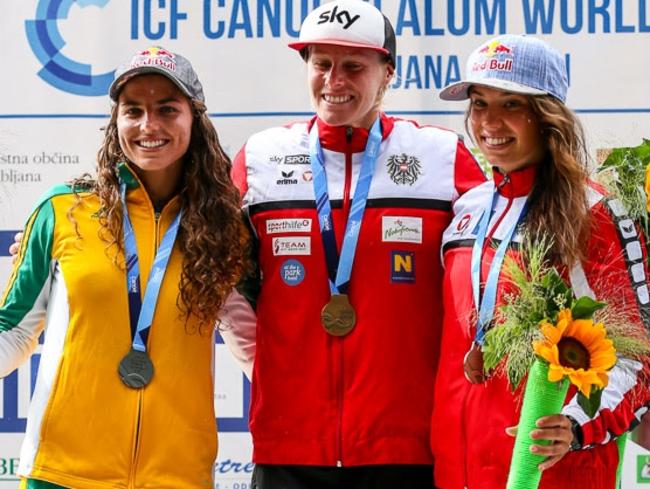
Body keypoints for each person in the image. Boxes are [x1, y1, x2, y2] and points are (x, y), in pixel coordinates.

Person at [218, 1, 486, 488]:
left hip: (405, 447)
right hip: (289, 446)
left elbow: (492, 276)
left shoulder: (441, 158)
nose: (334, 81)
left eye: (354, 67)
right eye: (321, 64)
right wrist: (274, 370)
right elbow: (224, 282)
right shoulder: (260, 159)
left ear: (388, 73)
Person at [0, 46, 247, 488]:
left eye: (167, 109)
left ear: (196, 119)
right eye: (133, 110)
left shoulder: (223, 226)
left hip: (178, 476)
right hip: (63, 473)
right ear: (116, 122)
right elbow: (13, 330)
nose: (149, 126)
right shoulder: (64, 210)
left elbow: (253, 341)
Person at [430, 34, 650, 489]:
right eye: (479, 103)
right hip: (460, 469)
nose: (490, 121)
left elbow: (638, 359)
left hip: (554, 473)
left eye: (512, 104)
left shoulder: (593, 213)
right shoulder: (468, 209)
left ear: (547, 115)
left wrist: (575, 425)